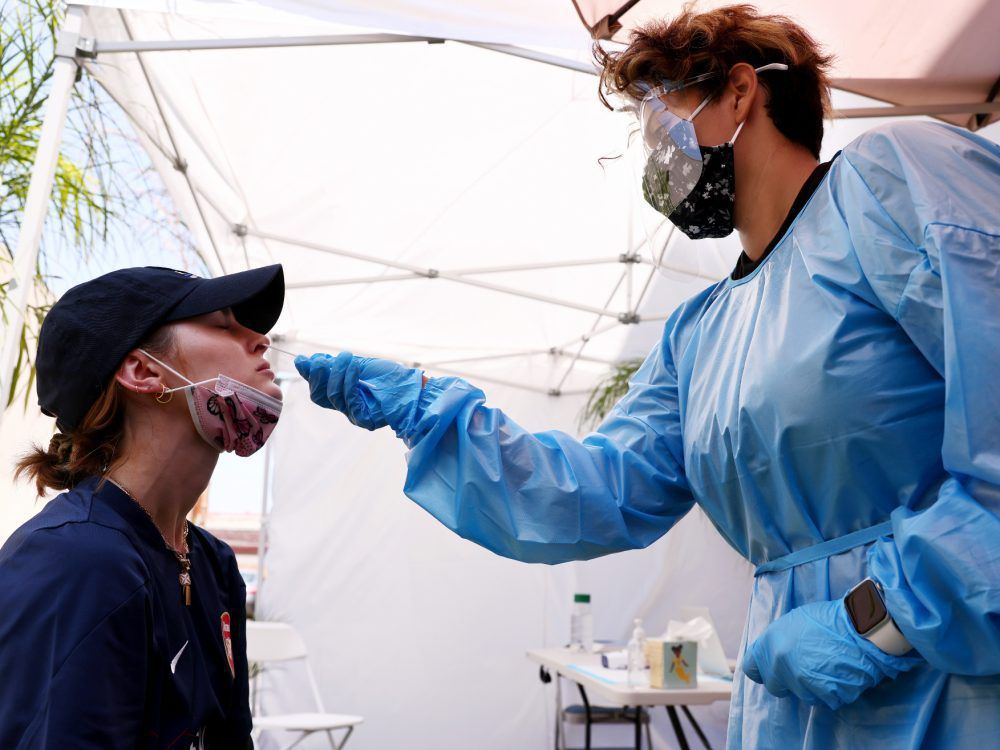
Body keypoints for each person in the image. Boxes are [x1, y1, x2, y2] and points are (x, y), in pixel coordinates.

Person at [292, 5, 999, 748]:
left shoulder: (888, 182)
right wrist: (432, 413)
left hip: (949, 679)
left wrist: (879, 621)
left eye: (659, 114)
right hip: (795, 701)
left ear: (738, 92)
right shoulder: (701, 334)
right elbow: (593, 492)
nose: (653, 153)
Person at [0, 264, 285, 748]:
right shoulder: (79, 562)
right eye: (222, 324)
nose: (260, 339)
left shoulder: (213, 563)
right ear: (143, 372)